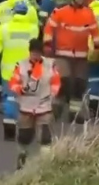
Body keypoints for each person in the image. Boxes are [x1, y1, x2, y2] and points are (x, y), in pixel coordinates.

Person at [42, 0, 99, 123]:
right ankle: (56, 108)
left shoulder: (89, 13)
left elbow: (95, 31)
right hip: (63, 54)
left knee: (79, 85)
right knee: (65, 81)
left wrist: (98, 46)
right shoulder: (60, 12)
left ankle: (74, 113)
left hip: (81, 55)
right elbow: (49, 28)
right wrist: (47, 45)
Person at [0, 0, 41, 141]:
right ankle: (27, 130)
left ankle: (9, 129)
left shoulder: (4, 29)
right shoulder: (33, 29)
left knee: (10, 98)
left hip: (8, 71)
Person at [8, 37, 62, 170]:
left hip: (44, 106)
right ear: (29, 52)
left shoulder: (50, 65)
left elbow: (55, 81)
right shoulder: (20, 65)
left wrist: (52, 95)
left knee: (45, 136)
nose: (35, 56)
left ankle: (46, 164)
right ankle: (22, 158)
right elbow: (13, 83)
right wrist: (20, 89)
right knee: (24, 136)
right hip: (26, 106)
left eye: (38, 53)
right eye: (33, 53)